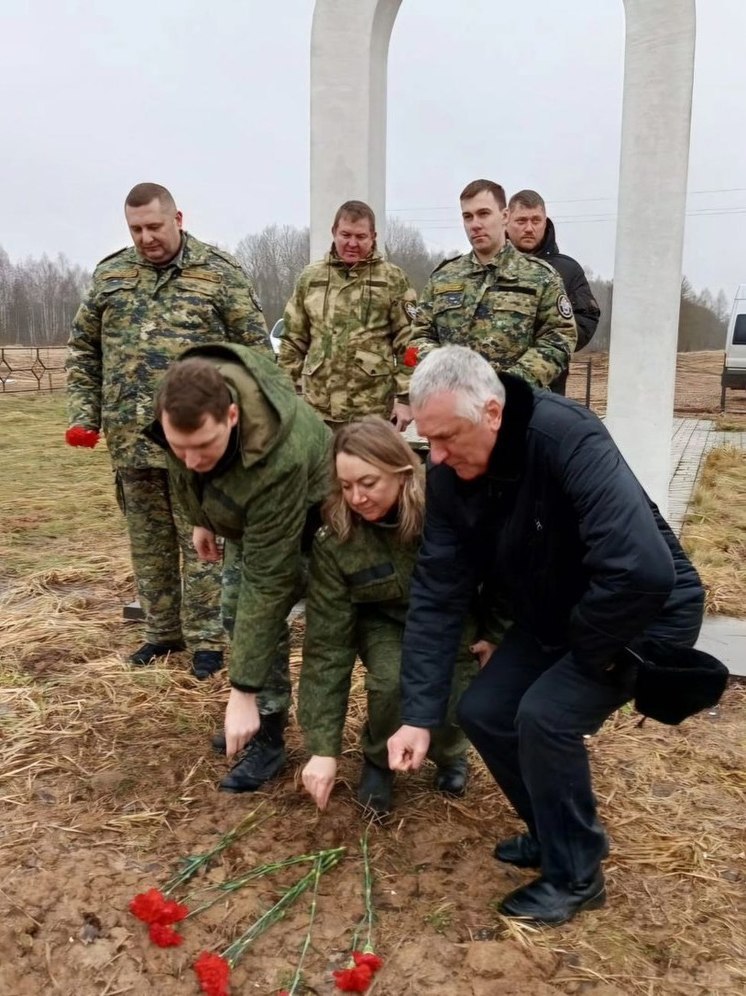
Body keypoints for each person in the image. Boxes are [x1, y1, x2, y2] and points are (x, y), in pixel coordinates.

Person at [387, 346, 706, 926]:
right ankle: (551, 830)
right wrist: (419, 714)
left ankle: (577, 874)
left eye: (446, 438)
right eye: (426, 440)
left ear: (491, 412)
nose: (435, 456)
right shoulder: (450, 477)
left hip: (640, 610)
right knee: (484, 710)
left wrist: (585, 653)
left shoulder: (566, 438)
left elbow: (643, 569)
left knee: (544, 716)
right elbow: (437, 595)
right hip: (557, 611)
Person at [66, 182, 269, 679]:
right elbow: (83, 351)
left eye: (154, 226)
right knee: (147, 541)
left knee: (202, 539)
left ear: (178, 218)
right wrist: (84, 414)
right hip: (130, 439)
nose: (145, 238)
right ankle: (160, 632)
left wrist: (239, 426)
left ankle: (207, 639)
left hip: (197, 446)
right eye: (135, 229)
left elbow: (255, 353)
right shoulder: (111, 275)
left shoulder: (218, 274)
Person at [147, 342, 331, 791]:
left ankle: (269, 735)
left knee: (265, 612)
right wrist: (202, 518)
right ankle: (259, 720)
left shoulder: (278, 458)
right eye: (179, 446)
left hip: (314, 523)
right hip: (250, 515)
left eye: (203, 446)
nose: (190, 459)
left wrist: (242, 690)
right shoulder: (178, 402)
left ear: (232, 416)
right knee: (232, 611)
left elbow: (268, 584)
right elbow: (184, 471)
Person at [298, 417, 478, 815]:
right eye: (346, 486)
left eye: (368, 483)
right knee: (391, 681)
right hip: (385, 620)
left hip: (454, 617)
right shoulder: (337, 539)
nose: (357, 498)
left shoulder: (445, 508)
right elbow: (327, 647)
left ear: (401, 473)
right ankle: (379, 760)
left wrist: (496, 630)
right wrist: (323, 749)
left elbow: (501, 572)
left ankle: (450, 753)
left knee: (457, 683)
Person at [405, 179, 577, 390]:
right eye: (468, 217)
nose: (475, 224)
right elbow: (417, 338)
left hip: (516, 408)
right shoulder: (443, 277)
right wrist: (447, 371)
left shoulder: (540, 277)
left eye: (483, 214)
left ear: (504, 216)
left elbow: (559, 339)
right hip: (454, 405)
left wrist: (510, 382)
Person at [278, 200, 418, 429]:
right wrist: (283, 394)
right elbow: (292, 342)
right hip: (317, 411)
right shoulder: (311, 278)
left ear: (373, 236)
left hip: (372, 412)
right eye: (346, 234)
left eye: (361, 237)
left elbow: (410, 343)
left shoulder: (392, 279)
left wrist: (405, 398)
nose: (352, 243)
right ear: (334, 232)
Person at [507, 189, 600, 394]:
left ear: (545, 222)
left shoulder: (567, 270)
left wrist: (547, 343)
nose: (529, 228)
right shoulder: (486, 266)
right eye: (521, 221)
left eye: (536, 220)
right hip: (490, 386)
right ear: (506, 220)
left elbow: (586, 319)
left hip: (547, 387)